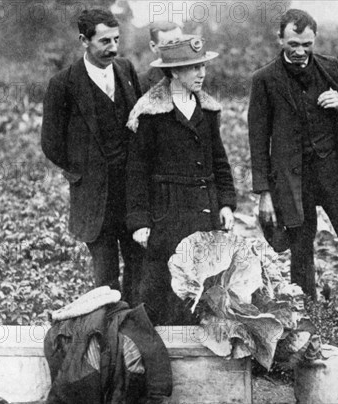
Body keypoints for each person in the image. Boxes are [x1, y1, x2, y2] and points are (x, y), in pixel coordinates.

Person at [248, 9, 338, 315]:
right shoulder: (264, 80)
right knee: (301, 252)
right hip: (293, 180)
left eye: (307, 44)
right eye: (293, 45)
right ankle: (308, 323)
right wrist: (263, 193)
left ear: (315, 40)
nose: (300, 52)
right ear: (280, 40)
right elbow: (257, 139)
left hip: (335, 173)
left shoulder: (330, 67)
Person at [126, 36, 237, 325]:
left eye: (202, 66)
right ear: (174, 71)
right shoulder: (150, 112)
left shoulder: (208, 111)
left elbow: (220, 161)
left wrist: (226, 204)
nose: (201, 73)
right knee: (166, 286)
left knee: (204, 285)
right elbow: (136, 171)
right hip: (168, 212)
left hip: (204, 208)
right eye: (193, 68)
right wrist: (139, 221)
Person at [41, 9, 143, 305]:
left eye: (116, 39)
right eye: (104, 41)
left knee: (138, 270)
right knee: (105, 282)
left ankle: (134, 336)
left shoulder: (126, 70)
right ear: (84, 40)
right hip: (94, 200)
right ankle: (108, 338)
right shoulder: (63, 84)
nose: (113, 47)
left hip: (131, 195)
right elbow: (51, 143)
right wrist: (84, 170)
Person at [137, 21, 182, 93]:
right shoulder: (141, 83)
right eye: (169, 44)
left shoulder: (199, 76)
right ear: (153, 47)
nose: (176, 48)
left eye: (178, 42)